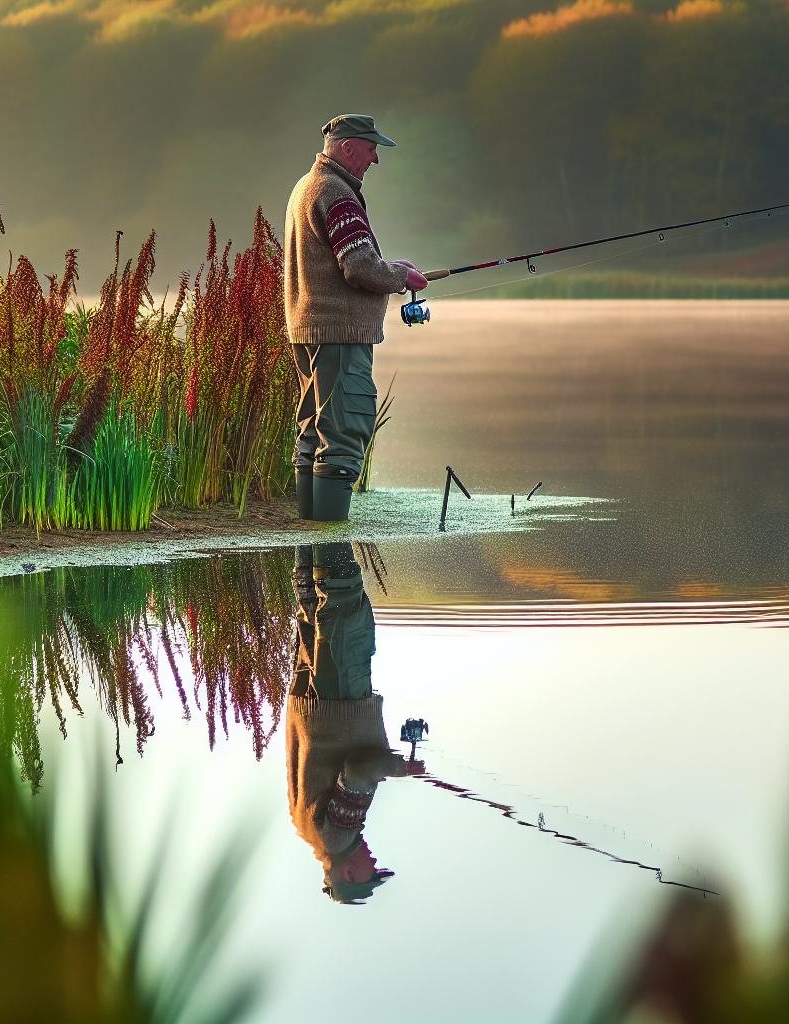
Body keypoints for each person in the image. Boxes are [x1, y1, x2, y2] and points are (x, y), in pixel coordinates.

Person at [283, 114, 428, 521]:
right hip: (340, 335)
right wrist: (401, 276)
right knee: (343, 435)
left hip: (308, 329)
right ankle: (331, 555)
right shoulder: (338, 193)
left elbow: (345, 258)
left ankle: (311, 556)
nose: (375, 159)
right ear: (348, 147)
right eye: (371, 149)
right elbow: (359, 267)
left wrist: (393, 266)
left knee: (313, 432)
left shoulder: (306, 187)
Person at [285, 542, 423, 903]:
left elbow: (358, 770)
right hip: (308, 704)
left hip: (340, 704)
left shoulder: (340, 837)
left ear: (348, 874)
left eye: (370, 873)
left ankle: (331, 516)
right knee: (310, 605)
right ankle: (312, 511)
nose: (374, 862)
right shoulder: (306, 831)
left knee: (344, 608)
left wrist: (398, 768)